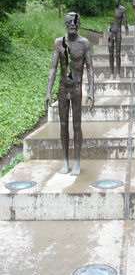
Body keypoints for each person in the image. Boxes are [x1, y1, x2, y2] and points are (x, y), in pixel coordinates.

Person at [44, 12, 94, 176]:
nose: (72, 24)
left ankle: (77, 161)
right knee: (63, 125)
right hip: (63, 88)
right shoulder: (59, 43)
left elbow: (90, 68)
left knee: (77, 126)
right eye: (69, 21)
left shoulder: (84, 43)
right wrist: (48, 91)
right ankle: (65, 161)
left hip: (77, 89)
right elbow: (53, 67)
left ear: (79, 24)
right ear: (65, 24)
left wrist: (91, 91)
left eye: (75, 21)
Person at [108, 0, 128, 79]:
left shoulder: (122, 9)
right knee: (111, 53)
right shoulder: (110, 9)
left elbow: (125, 20)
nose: (116, 0)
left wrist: (126, 28)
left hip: (118, 31)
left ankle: (118, 73)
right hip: (111, 31)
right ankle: (112, 73)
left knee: (117, 52)